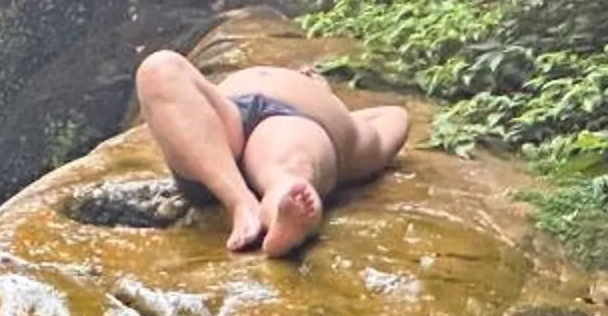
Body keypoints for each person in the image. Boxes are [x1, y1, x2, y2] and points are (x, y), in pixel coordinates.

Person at [131, 49, 411, 255]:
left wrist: (331, 102)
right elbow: (394, 113)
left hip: (292, 125)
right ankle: (241, 202)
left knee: (288, 170)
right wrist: (324, 95)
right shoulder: (340, 114)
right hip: (221, 130)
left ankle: (284, 218)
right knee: (158, 69)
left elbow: (395, 117)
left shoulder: (353, 133)